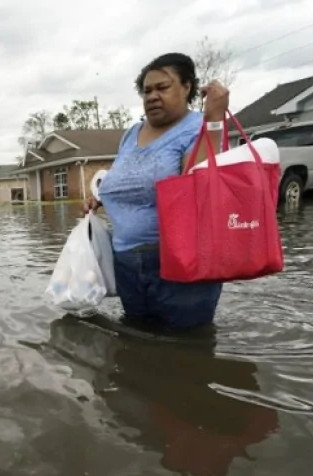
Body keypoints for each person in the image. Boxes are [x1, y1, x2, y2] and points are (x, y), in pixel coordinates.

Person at [83, 52, 230, 330]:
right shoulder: (132, 133)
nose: (152, 96)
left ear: (187, 88)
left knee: (186, 349)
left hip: (179, 262)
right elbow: (124, 180)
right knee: (136, 342)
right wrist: (100, 200)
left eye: (162, 87)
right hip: (127, 263)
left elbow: (198, 186)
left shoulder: (199, 127)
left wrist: (214, 120)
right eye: (147, 90)